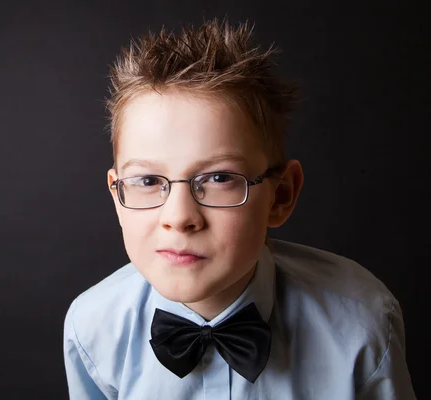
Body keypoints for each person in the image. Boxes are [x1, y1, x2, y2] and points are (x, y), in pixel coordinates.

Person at [62, 18, 416, 399]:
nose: (179, 217)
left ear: (280, 196)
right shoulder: (91, 327)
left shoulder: (362, 323)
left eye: (218, 178)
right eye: (148, 181)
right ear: (118, 196)